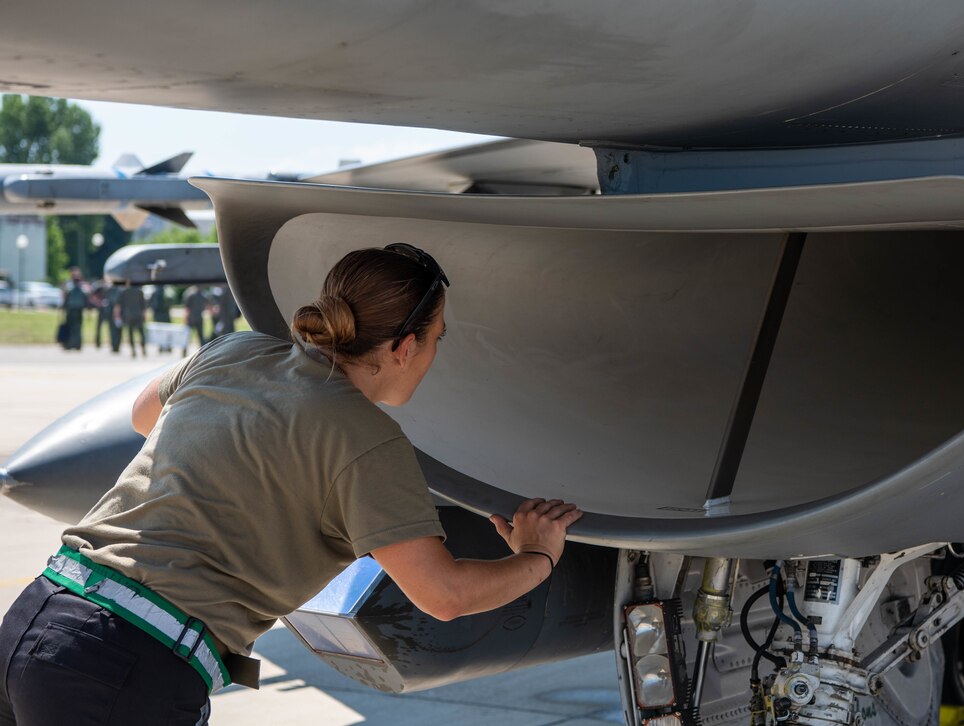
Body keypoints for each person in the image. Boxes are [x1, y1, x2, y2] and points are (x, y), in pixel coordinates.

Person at [0, 245, 581, 725]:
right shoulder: (367, 441)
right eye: (437, 339)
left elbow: (144, 416)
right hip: (122, 668)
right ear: (406, 347)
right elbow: (444, 595)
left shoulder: (236, 349)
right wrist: (538, 555)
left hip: (37, 616)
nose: (431, 355)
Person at [116, 280, 147, 358]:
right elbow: (143, 306)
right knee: (141, 333)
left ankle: (133, 350)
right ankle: (143, 349)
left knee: (130, 333)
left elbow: (118, 306)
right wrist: (144, 316)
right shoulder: (140, 292)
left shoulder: (124, 292)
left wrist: (117, 316)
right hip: (138, 314)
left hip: (128, 315)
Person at [59, 267, 87, 351]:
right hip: (71, 309)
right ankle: (71, 344)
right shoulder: (75, 284)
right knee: (72, 326)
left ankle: (76, 344)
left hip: (77, 309)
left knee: (76, 327)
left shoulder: (76, 284)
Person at [182, 285, 208, 355]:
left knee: (187, 336)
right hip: (199, 318)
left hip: (191, 318)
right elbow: (206, 305)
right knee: (201, 336)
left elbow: (187, 307)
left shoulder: (189, 293)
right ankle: (203, 351)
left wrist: (185, 317)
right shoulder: (202, 294)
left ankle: (184, 351)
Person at [149, 284, 174, 353]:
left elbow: (152, 304)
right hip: (166, 314)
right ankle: (168, 346)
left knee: (160, 331)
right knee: (167, 331)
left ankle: (161, 346)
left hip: (158, 314)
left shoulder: (154, 293)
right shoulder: (167, 291)